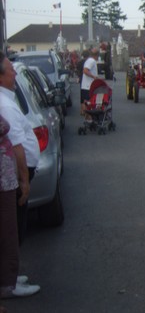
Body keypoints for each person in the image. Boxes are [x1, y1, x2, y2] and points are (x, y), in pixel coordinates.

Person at [0, 52, 41, 299]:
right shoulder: (4, 104)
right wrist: (24, 180)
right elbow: (16, 146)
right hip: (11, 176)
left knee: (13, 227)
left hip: (12, 175)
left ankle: (10, 275)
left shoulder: (7, 98)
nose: (15, 72)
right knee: (10, 230)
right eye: (10, 70)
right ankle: (9, 282)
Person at [81, 48, 100, 120]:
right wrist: (94, 77)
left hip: (86, 86)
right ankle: (90, 119)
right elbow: (85, 70)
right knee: (89, 104)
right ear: (97, 55)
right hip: (88, 86)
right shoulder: (92, 61)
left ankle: (88, 119)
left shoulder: (88, 60)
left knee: (87, 104)